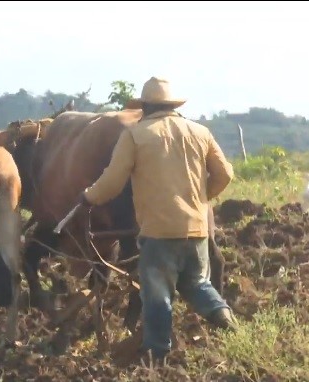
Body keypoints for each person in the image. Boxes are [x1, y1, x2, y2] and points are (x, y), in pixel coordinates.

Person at [77, 76, 238, 362]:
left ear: (146, 106)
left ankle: (157, 354)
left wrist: (88, 197)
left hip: (159, 233)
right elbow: (225, 173)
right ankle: (224, 316)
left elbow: (113, 181)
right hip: (197, 229)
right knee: (197, 284)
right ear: (173, 105)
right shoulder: (200, 132)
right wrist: (201, 199)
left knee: (157, 294)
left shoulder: (136, 135)